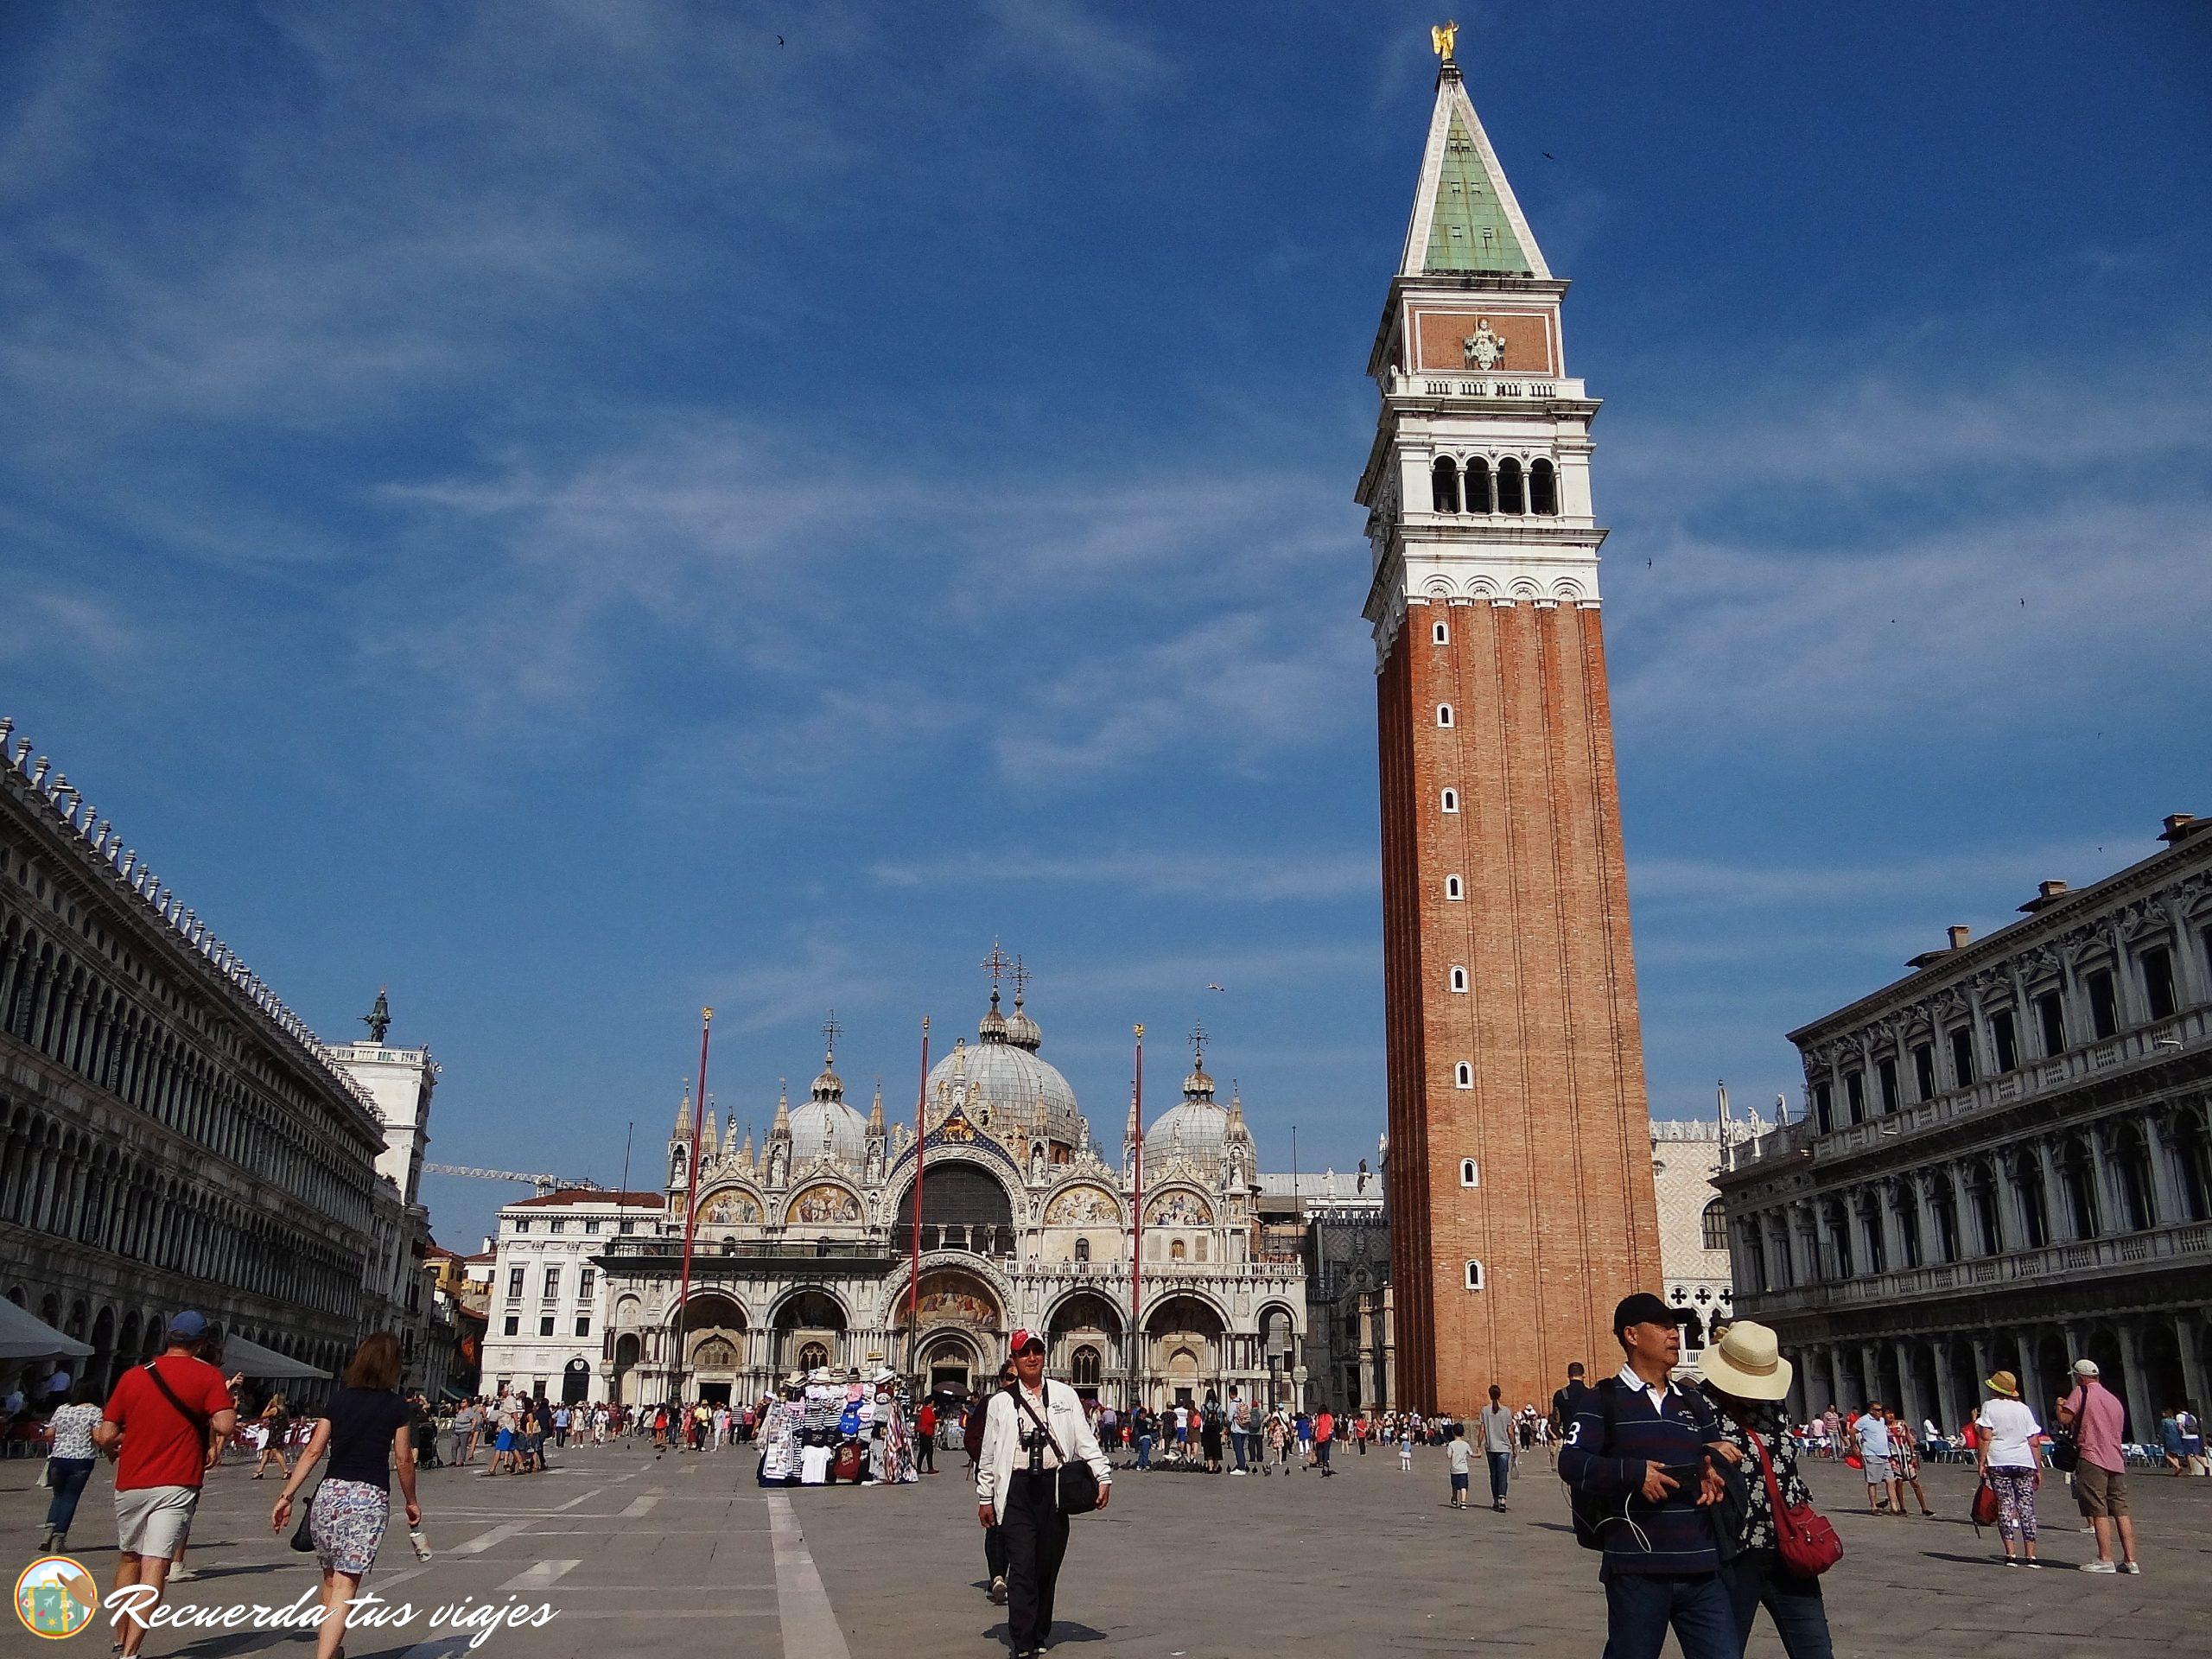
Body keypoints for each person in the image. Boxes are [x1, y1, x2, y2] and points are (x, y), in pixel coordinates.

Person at [1557, 1293, 1734, 1659]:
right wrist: (1634, 1473)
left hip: (1702, 1565)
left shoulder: (1691, 1400)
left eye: (1676, 1327)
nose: (1675, 1335)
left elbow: (1714, 1458)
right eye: (1664, 1327)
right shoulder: (1601, 1399)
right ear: (1632, 1336)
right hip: (1637, 1567)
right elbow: (1571, 1462)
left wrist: (1714, 1473)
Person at [93, 1312, 238, 1659]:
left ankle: (119, 1632)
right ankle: (131, 1651)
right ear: (201, 1343)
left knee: (129, 1557)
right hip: (177, 1481)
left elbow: (107, 1434)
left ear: (169, 1339)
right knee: (155, 1564)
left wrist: (127, 1437)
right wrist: (221, 1407)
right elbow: (225, 1425)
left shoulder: (133, 1376)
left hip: (132, 1481)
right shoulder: (208, 1375)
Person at [270, 1333, 419, 1659]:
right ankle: (324, 1657)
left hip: (329, 1493)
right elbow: (403, 1458)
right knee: (345, 1584)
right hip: (368, 1498)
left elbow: (312, 1451)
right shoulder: (396, 1406)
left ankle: (332, 1648)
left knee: (330, 1578)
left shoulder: (339, 1400)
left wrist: (287, 1495)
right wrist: (411, 1501)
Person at [1698, 1320, 1834, 1659]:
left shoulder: (1773, 1407)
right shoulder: (1696, 1407)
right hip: (1732, 1551)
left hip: (1789, 1546)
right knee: (1724, 1652)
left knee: (1816, 1650)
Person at [976, 1330, 1110, 1659]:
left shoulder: (1065, 1395)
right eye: (1024, 1353)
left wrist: (1102, 1473)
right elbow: (989, 1454)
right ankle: (1022, 1640)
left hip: (1055, 1489)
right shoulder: (1000, 1402)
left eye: (1037, 1351)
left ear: (1045, 1355)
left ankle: (1039, 1631)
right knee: (1021, 1567)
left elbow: (1084, 1438)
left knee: (1046, 1568)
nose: (1031, 1357)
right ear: (1014, 1359)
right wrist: (985, 1497)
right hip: (1017, 1491)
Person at [2056, 1358, 2139, 1573]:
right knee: (2121, 1510)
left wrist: (2059, 1405)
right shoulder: (2113, 1399)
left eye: (2076, 1377)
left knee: (2097, 1509)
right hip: (2115, 1458)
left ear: (2081, 1378)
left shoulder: (2082, 1392)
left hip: (2092, 1456)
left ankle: (2105, 1559)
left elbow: (2065, 1419)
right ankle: (2131, 1560)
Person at [1975, 1370, 2045, 1567]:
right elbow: (2034, 1441)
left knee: (2005, 1506)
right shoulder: (2023, 1409)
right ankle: (2031, 1556)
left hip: (1999, 1461)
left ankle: (2011, 1554)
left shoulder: (1989, 1406)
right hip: (2024, 1462)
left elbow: (1985, 1437)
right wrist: (2038, 1468)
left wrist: (1981, 1463)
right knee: (2027, 1508)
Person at [40, 1381, 103, 1553]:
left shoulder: (62, 1409)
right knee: (70, 1498)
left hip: (58, 1458)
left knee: (58, 1496)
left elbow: (49, 1433)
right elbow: (98, 1437)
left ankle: (49, 1530)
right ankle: (59, 1537)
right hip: (81, 1459)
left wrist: (58, 1444)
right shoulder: (95, 1411)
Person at [980, 1363, 1015, 1606]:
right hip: (995, 1479)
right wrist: (987, 1468)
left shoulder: (1031, 1401)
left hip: (1021, 1480)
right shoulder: (991, 1403)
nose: (1014, 1381)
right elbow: (975, 1439)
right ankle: (998, 1576)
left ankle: (1012, 1577)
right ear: (1001, 1379)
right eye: (1010, 1377)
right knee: (995, 1530)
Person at [1852, 1400, 1900, 1516]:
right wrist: (1854, 1447)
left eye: (1881, 1410)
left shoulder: (1882, 1420)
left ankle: (1894, 1507)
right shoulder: (1864, 1420)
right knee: (1873, 1482)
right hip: (1871, 1454)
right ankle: (1873, 1506)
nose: (1880, 1412)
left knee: (1891, 1481)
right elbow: (1852, 1431)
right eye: (1877, 1410)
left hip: (1885, 1454)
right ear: (1871, 1410)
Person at [1884, 1408, 1933, 1516]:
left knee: (1915, 1482)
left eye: (1891, 1413)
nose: (1890, 1415)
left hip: (1906, 1457)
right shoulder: (1883, 1428)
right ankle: (1902, 1507)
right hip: (1894, 1458)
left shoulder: (1902, 1424)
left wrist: (1913, 1455)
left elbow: (1909, 1439)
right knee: (1899, 1483)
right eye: (1887, 1413)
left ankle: (1924, 1508)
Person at [1479, 1385, 1515, 1510]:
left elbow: (1482, 1429)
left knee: (1493, 1474)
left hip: (1491, 1447)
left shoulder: (1485, 1410)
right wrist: (1514, 1445)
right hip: (1504, 1448)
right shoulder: (1506, 1411)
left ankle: (1495, 1500)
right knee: (1503, 1474)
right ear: (1500, 1395)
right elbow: (1510, 1431)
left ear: (1489, 1395)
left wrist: (1479, 1445)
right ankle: (1502, 1500)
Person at [251, 1394, 293, 1481]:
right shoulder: (284, 1409)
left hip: (275, 1432)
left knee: (276, 1451)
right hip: (279, 1432)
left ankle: (286, 1470)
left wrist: (268, 1405)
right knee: (266, 1451)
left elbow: (263, 1415)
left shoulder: (275, 1409)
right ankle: (260, 1470)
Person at [1445, 1421, 1471, 1510]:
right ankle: (1463, 1502)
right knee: (1464, 1486)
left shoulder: (1451, 1444)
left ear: (1453, 1432)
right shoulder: (1466, 1444)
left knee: (1454, 1486)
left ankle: (1455, 1499)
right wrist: (1478, 1454)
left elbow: (1449, 1456)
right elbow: (1471, 1454)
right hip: (1464, 1469)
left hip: (1454, 1469)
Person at [916, 1397, 938, 1474]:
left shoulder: (924, 1409)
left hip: (924, 1432)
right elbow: (930, 1421)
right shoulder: (927, 1410)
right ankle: (930, 1468)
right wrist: (936, 1421)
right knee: (929, 1451)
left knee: (923, 1451)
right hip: (926, 1432)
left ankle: (919, 1467)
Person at [1313, 1406, 1335, 1476]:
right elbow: (1333, 1425)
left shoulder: (1318, 1417)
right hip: (1328, 1434)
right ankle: (1326, 1461)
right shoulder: (1330, 1416)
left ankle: (1320, 1461)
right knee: (1326, 1448)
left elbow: (1316, 1425)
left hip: (1320, 1434)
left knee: (1320, 1448)